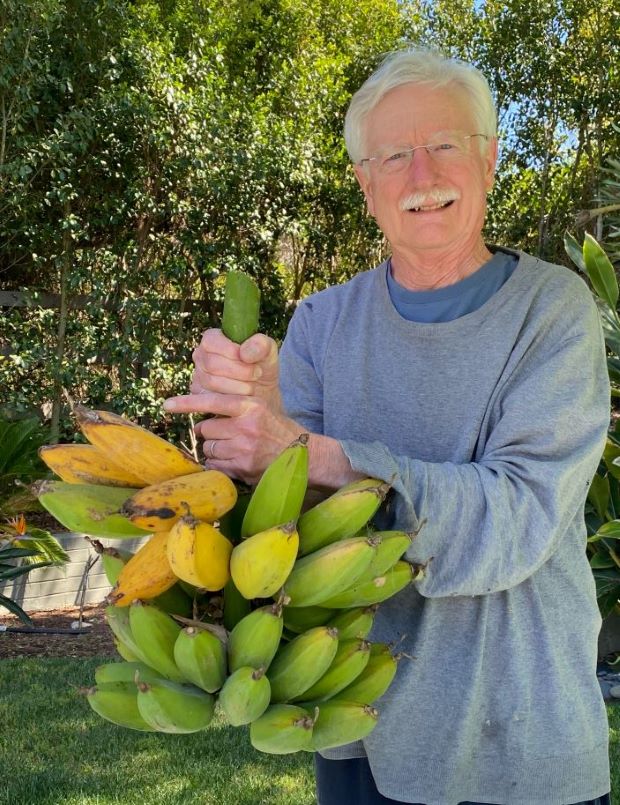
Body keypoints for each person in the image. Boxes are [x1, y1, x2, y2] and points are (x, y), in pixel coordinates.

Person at [164, 47, 611, 805]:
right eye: (393, 155)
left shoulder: (553, 312)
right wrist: (246, 421)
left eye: (443, 146)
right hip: (355, 725)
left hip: (522, 743)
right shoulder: (320, 323)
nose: (421, 176)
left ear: (490, 159)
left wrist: (316, 454)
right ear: (365, 183)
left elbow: (517, 516)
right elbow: (278, 535)